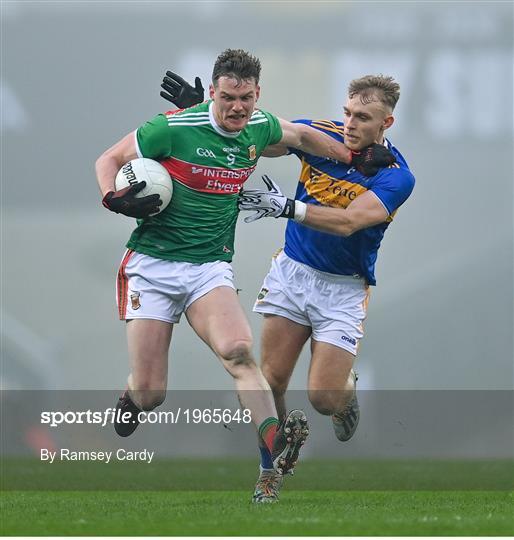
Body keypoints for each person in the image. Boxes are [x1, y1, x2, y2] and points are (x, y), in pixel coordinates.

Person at [96, 50, 394, 503]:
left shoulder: (262, 126)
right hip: (153, 266)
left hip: (209, 267)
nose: (239, 107)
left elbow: (301, 137)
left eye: (247, 99)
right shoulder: (171, 128)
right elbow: (109, 158)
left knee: (239, 352)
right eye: (229, 97)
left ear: (258, 95)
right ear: (214, 92)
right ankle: (133, 395)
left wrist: (353, 159)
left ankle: (273, 451)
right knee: (152, 391)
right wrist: (112, 198)